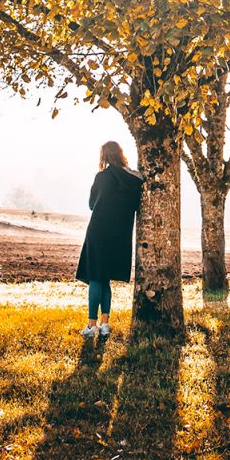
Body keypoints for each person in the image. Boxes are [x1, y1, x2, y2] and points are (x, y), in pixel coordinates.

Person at [76, 140, 142, 339]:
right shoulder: (135, 179)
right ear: (121, 154)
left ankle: (91, 325)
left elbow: (91, 204)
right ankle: (105, 324)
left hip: (98, 231)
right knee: (105, 279)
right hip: (120, 235)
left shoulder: (101, 177)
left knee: (96, 277)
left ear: (104, 156)